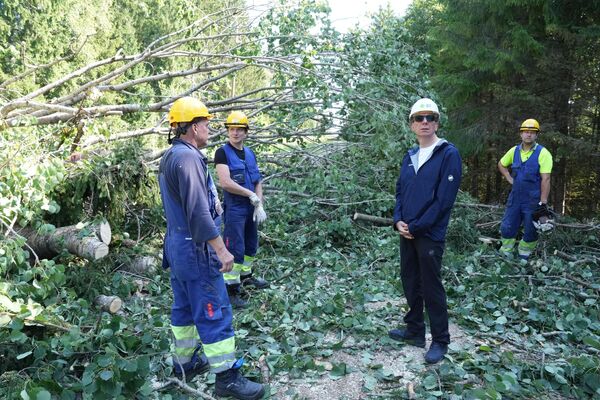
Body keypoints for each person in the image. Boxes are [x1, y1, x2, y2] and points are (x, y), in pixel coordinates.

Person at [159, 97, 264, 400]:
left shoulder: (172, 156)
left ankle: (184, 364)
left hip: (178, 247)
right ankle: (228, 378)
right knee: (214, 310)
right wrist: (222, 250)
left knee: (184, 309)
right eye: (205, 123)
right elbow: (198, 213)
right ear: (192, 127)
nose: (209, 128)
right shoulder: (190, 159)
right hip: (196, 248)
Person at [388, 98, 462, 364]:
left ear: (437, 122)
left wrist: (417, 226)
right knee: (410, 280)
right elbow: (400, 192)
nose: (425, 122)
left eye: (430, 117)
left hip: (429, 234)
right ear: (411, 125)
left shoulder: (448, 154)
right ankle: (415, 330)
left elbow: (444, 200)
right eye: (419, 118)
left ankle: (440, 340)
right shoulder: (409, 156)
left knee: (431, 287)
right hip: (406, 231)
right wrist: (398, 221)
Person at [215, 111, 268, 309]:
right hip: (236, 209)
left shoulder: (250, 153)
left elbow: (257, 180)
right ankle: (231, 289)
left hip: (251, 208)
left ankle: (247, 277)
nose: (235, 133)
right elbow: (226, 183)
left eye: (239, 129)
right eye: (231, 129)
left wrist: (259, 202)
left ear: (246, 132)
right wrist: (249, 195)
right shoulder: (222, 153)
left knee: (250, 244)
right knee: (234, 248)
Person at [498, 119, 553, 260]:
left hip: (533, 200)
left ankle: (524, 258)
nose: (528, 134)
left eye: (532, 132)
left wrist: (543, 202)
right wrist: (509, 178)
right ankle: (506, 254)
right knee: (507, 226)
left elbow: (546, 179)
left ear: (536, 135)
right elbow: (501, 164)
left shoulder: (543, 153)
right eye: (526, 132)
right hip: (515, 198)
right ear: (521, 134)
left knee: (530, 230)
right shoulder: (514, 151)